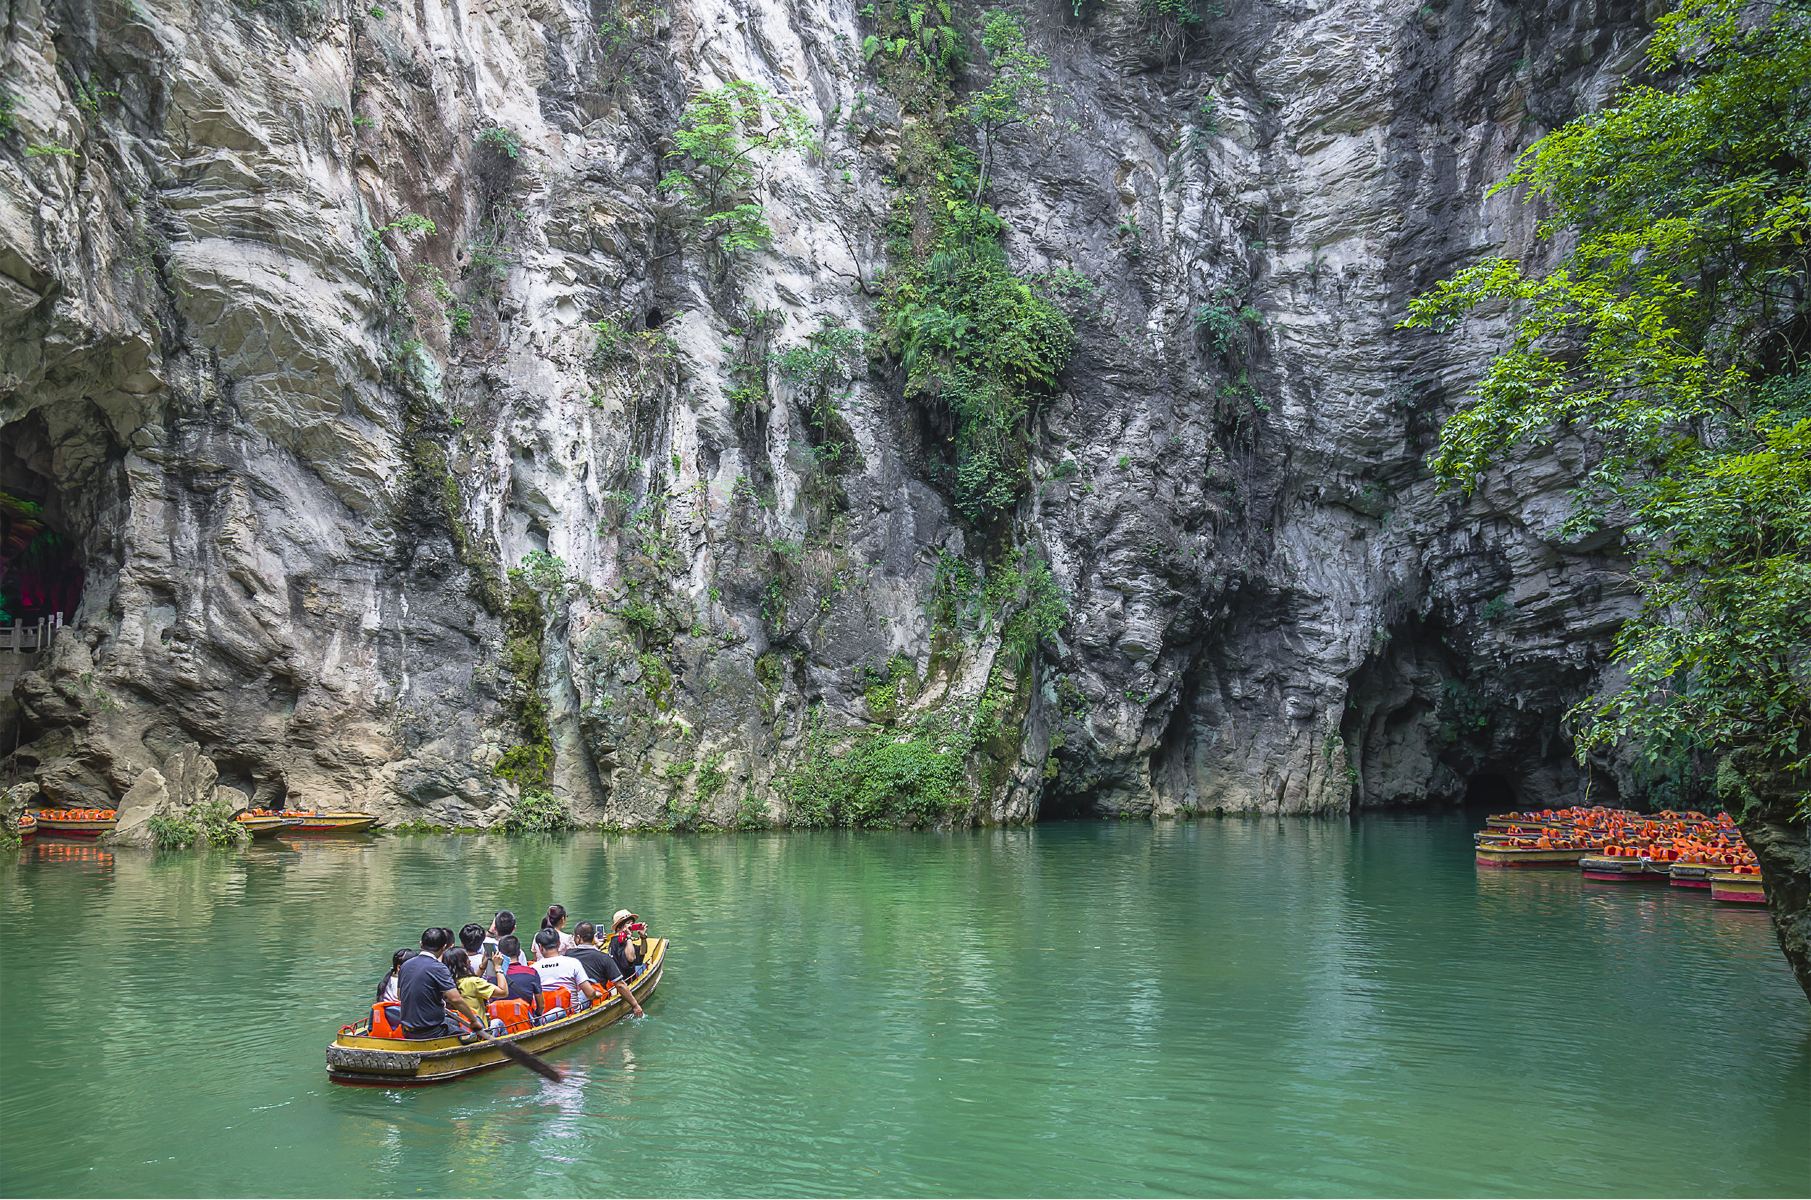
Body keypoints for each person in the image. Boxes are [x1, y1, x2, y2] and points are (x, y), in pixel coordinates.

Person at [397, 927, 487, 1040]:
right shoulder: (438, 968)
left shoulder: (405, 965)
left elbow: (400, 996)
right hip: (432, 1032)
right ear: (444, 947)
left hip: (407, 1030)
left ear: (421, 944)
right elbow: (456, 1000)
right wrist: (473, 1021)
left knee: (452, 1021)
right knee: (472, 1034)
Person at [568, 921, 645, 1017]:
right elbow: (620, 985)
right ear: (593, 937)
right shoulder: (604, 958)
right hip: (595, 1000)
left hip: (570, 1001)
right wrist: (635, 1005)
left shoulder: (567, 955)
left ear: (578, 938)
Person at [531, 928, 602, 1011]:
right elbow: (590, 994)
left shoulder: (533, 969)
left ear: (540, 947)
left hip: (545, 1015)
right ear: (559, 943)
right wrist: (598, 994)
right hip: (571, 1012)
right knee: (592, 983)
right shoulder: (573, 963)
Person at [443, 944, 506, 1032]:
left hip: (459, 1029)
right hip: (479, 1031)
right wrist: (498, 967)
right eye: (467, 958)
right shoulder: (473, 982)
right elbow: (503, 992)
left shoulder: (446, 983)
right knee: (498, 1022)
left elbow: (470, 984)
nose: (470, 961)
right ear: (464, 963)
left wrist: (482, 967)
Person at [497, 934, 545, 1016]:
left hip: (501, 1024)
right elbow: (541, 1006)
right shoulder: (531, 973)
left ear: (500, 954)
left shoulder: (493, 976)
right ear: (519, 952)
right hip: (525, 1020)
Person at [607, 910, 647, 979]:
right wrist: (628, 936)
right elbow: (631, 958)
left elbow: (642, 952)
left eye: (632, 923)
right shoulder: (618, 941)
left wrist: (643, 937)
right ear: (619, 927)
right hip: (625, 982)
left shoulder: (625, 940)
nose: (631, 926)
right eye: (628, 923)